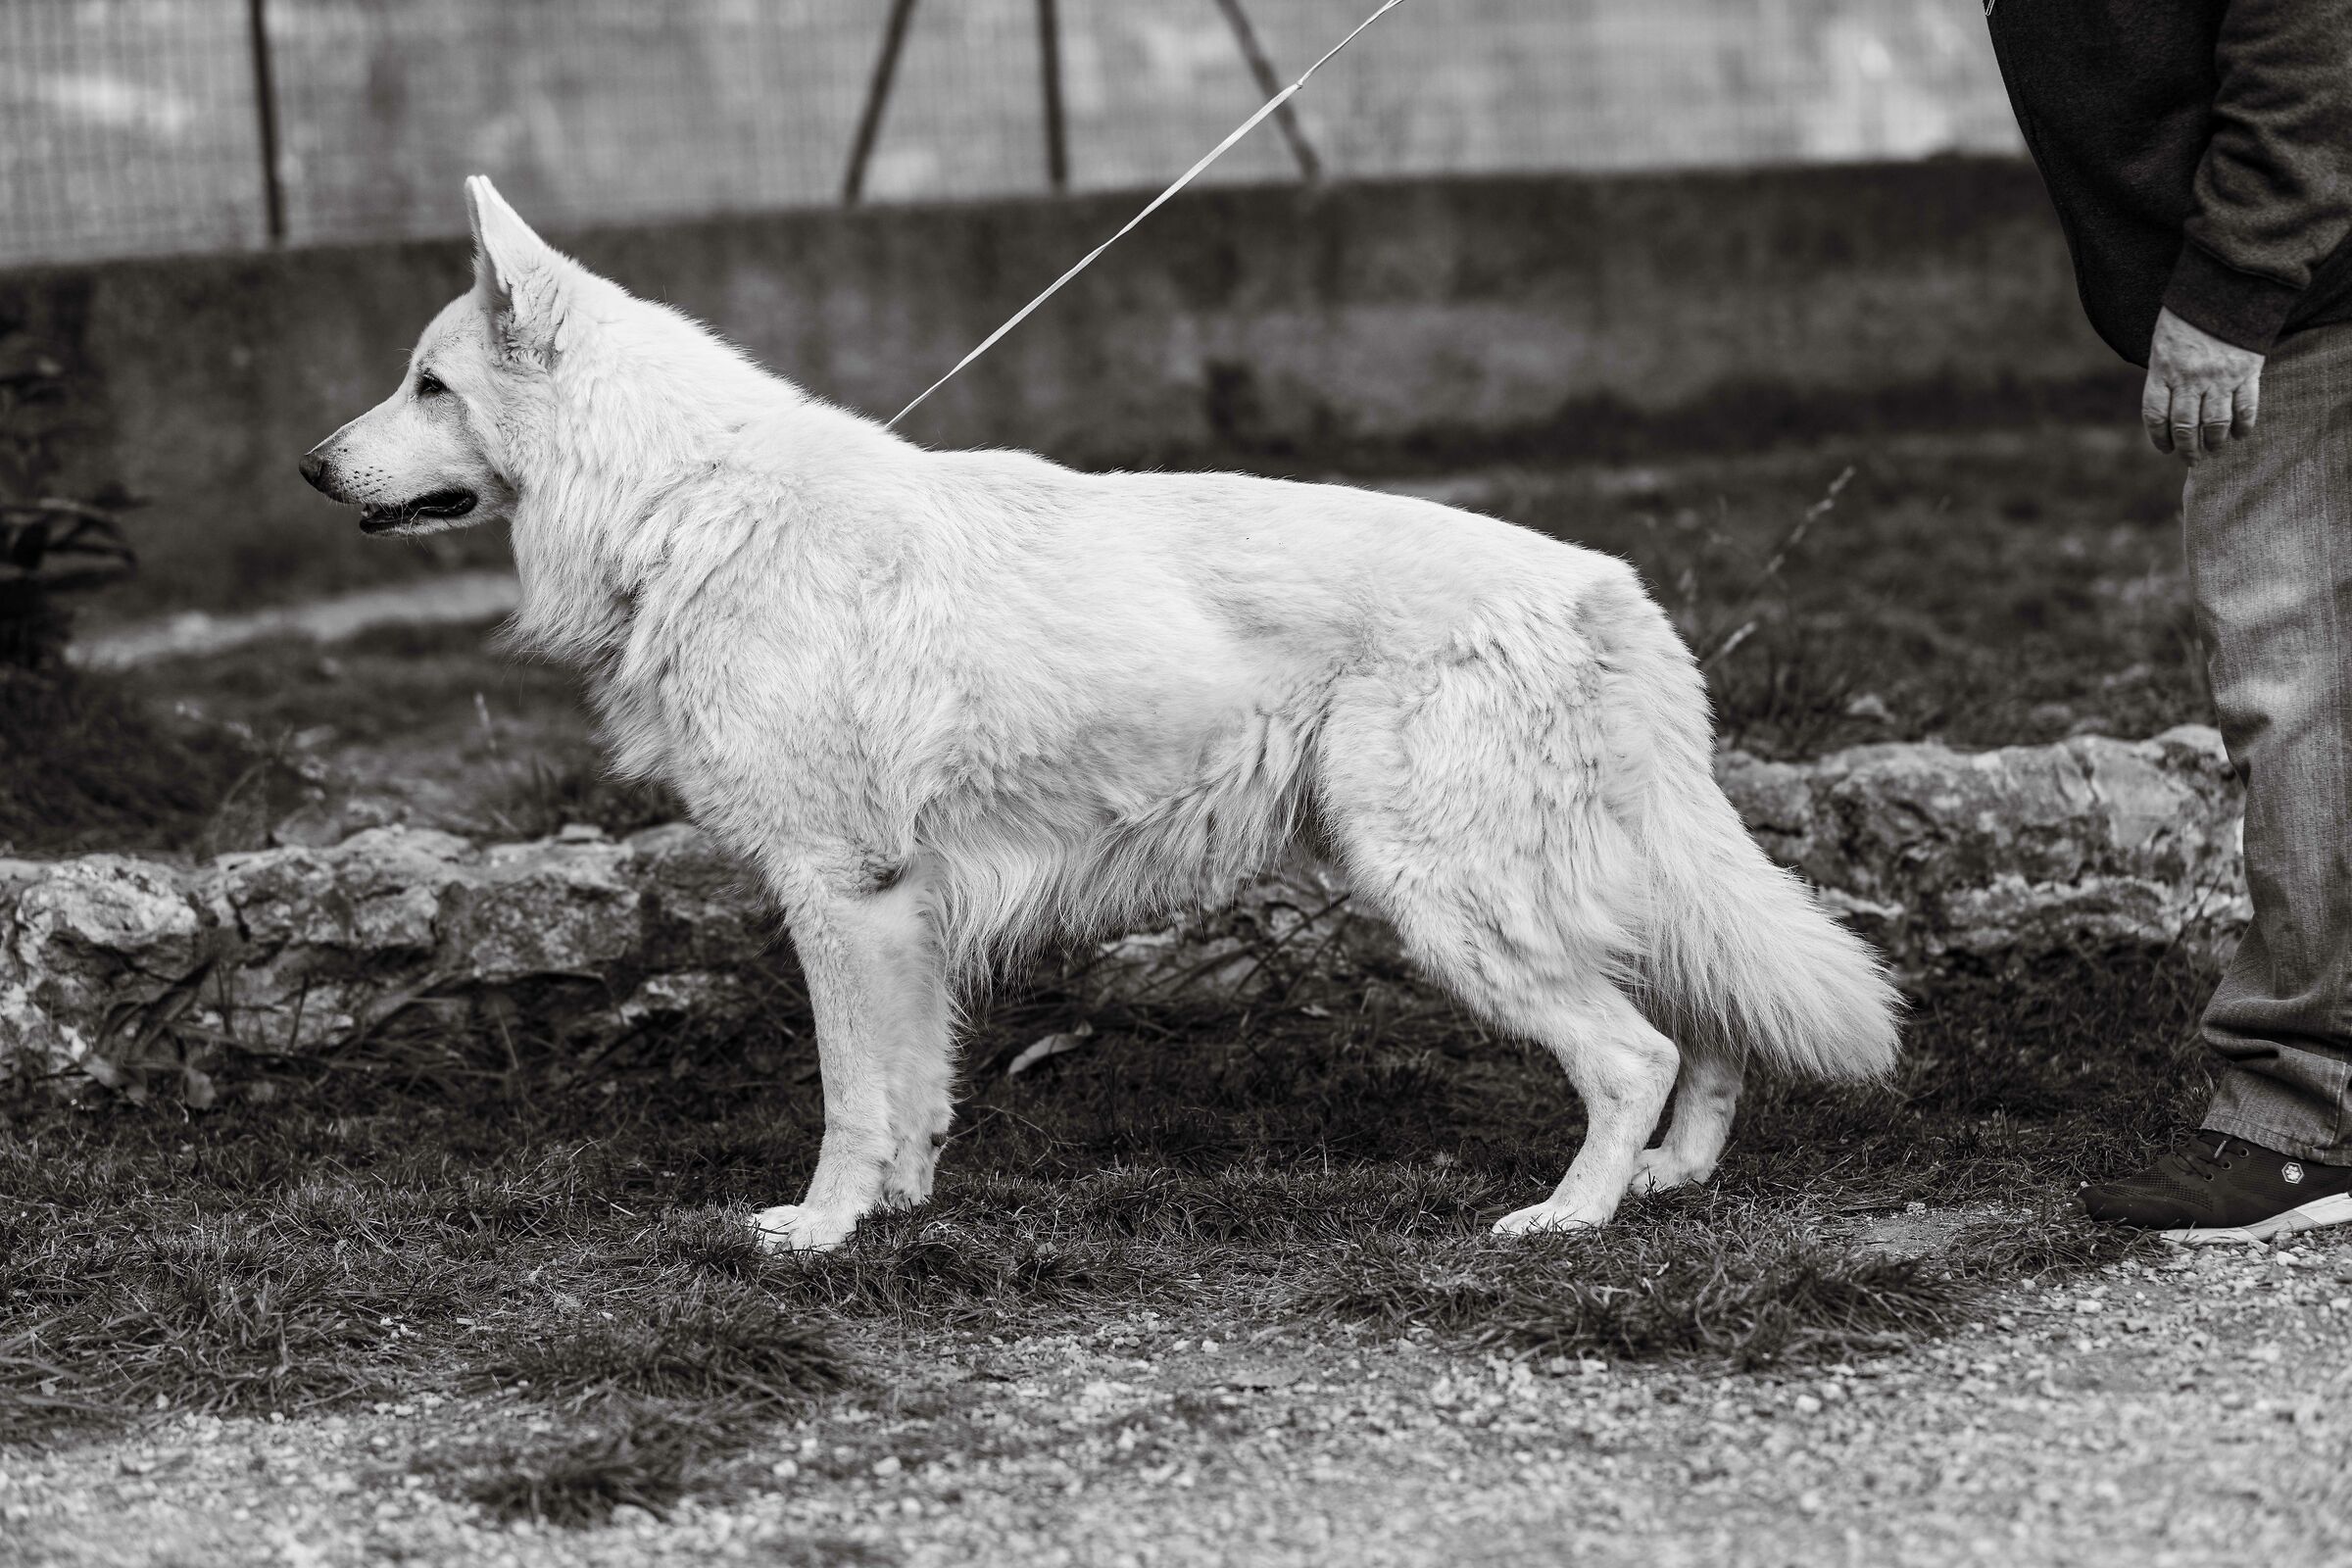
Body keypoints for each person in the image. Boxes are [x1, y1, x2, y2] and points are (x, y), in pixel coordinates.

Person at [1986, 0, 2352, 1241]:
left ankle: (2309, 1120)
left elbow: (2312, 45)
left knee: (2300, 682)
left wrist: (2235, 287)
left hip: (2317, 294)